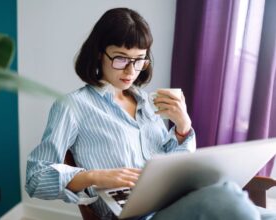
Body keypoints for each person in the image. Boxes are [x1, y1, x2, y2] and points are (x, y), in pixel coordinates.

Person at [25, 7, 276, 220]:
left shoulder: (147, 102)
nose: (131, 70)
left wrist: (182, 128)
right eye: (121, 59)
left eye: (139, 59)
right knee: (228, 198)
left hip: (171, 203)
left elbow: (174, 170)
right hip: (137, 216)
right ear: (100, 54)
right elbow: (36, 178)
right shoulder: (72, 106)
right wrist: (96, 177)